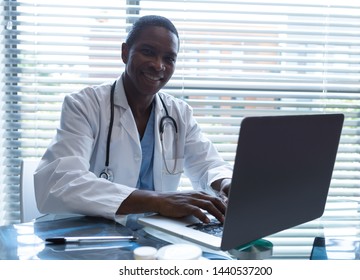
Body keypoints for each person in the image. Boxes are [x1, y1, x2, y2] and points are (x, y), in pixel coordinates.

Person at [34, 15, 233, 228]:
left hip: (158, 233)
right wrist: (158, 200)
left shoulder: (178, 113)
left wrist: (226, 183)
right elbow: (60, 182)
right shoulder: (85, 104)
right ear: (125, 52)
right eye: (148, 52)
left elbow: (207, 164)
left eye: (169, 58)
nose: (159, 65)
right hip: (92, 234)